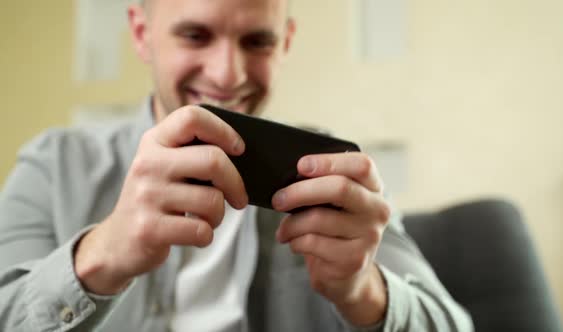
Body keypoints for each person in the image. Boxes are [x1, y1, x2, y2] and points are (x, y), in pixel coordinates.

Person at [0, 0, 473, 331]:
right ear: (142, 36)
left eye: (257, 42)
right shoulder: (54, 164)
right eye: (194, 35)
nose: (228, 74)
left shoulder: (336, 173)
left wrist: (361, 291)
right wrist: (101, 255)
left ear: (284, 43)